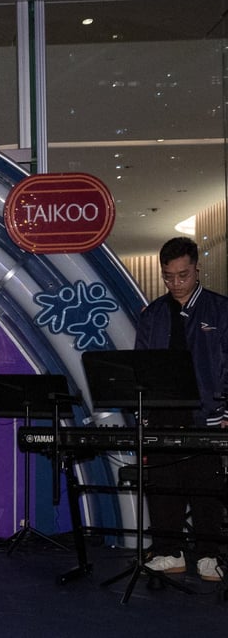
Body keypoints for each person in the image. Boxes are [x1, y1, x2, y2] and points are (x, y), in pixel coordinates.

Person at [136, 236, 228, 582]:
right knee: (162, 482)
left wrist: (226, 412)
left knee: (205, 483)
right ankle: (168, 552)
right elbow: (141, 365)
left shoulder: (220, 310)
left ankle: (208, 555)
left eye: (183, 275)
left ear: (197, 270)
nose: (176, 283)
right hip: (162, 411)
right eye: (168, 277)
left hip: (207, 411)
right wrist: (142, 412)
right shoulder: (154, 314)